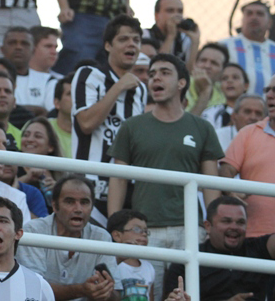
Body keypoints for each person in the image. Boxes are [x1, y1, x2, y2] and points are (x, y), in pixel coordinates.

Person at [107, 54, 223, 297]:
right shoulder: (132, 126)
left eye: (164, 72)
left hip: (191, 228)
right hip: (145, 231)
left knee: (191, 295)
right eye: (151, 74)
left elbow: (212, 184)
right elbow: (118, 178)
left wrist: (214, 227)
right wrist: (115, 226)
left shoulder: (202, 128)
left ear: (182, 83)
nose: (155, 78)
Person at [71, 15, 146, 226]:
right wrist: (119, 86)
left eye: (136, 40)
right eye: (123, 39)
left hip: (126, 189)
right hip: (88, 183)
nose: (131, 44)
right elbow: (86, 123)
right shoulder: (89, 75)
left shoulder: (140, 89)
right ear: (107, 45)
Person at [16, 175, 122, 301]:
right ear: (54, 206)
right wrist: (81, 290)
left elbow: (116, 295)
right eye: (70, 201)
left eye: (84, 202)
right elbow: (34, 290)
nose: (78, 209)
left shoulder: (101, 237)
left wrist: (105, 292)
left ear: (92, 208)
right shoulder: (34, 231)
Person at [163, 196, 275, 300]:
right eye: (226, 221)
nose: (234, 227)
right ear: (208, 226)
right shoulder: (185, 261)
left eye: (240, 222)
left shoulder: (258, 247)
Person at [220, 75, 275, 237]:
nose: (270, 95)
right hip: (253, 235)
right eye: (268, 90)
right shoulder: (248, 133)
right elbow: (225, 171)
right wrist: (231, 192)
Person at [219, 1, 275, 96]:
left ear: (269, 22)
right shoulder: (225, 46)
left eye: (260, 14)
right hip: (234, 109)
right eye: (249, 13)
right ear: (242, 20)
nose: (254, 17)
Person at [2, 26, 55, 113]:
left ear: (33, 50)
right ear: (2, 49)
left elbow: (50, 114)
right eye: (12, 43)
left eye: (24, 43)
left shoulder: (47, 81)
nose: (18, 47)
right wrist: (36, 109)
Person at [107, 210, 155, 301]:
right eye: (137, 229)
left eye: (146, 231)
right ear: (117, 235)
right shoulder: (111, 263)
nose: (144, 234)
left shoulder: (149, 267)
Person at [143, 0, 199, 71]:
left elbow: (189, 73)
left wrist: (195, 42)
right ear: (156, 15)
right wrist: (170, 36)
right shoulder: (145, 34)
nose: (176, 15)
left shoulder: (185, 40)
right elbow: (157, 67)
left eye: (180, 11)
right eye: (170, 11)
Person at [17, 117, 63, 208]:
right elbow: (4, 190)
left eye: (38, 136)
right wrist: (27, 178)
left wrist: (59, 191)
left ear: (50, 147)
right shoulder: (11, 166)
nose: (29, 139)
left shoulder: (59, 173)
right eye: (26, 135)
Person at [186, 43, 229, 116]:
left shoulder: (224, 95)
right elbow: (186, 126)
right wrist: (205, 92)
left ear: (223, 71)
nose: (207, 66)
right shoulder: (180, 86)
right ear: (195, 64)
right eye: (203, 60)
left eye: (214, 63)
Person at [201, 63, 248, 129]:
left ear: (246, 85)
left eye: (235, 77)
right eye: (224, 78)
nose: (229, 81)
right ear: (221, 86)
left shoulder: (255, 112)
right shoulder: (210, 113)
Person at [50, 73, 73, 159]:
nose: (76, 97)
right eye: (70, 94)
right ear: (57, 103)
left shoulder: (94, 133)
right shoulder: (43, 128)